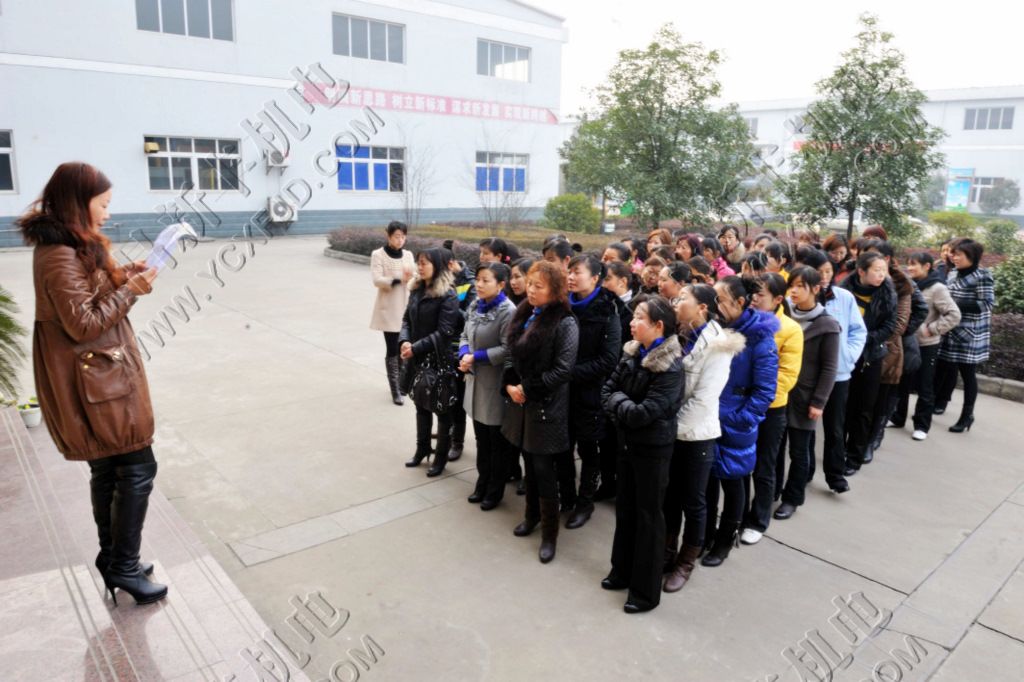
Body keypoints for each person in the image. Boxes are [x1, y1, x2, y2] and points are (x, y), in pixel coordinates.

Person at [19, 162, 167, 605]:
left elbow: (86, 294)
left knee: (110, 468)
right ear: (77, 203)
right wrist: (131, 290)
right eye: (102, 204)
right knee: (137, 466)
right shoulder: (58, 253)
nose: (106, 213)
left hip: (96, 376)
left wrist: (121, 275)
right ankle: (123, 565)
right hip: (92, 380)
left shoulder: (70, 244)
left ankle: (115, 559)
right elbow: (82, 324)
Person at [600, 296, 685, 614]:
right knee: (625, 510)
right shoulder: (632, 352)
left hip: (652, 449)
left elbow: (643, 413)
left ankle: (645, 592)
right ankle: (621, 571)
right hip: (627, 444)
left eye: (639, 318)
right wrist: (622, 404)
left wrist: (619, 403)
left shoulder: (671, 365)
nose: (632, 323)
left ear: (658, 326)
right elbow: (606, 391)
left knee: (649, 517)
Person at [663, 284, 743, 593]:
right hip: (671, 430)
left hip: (696, 435)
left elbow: (703, 400)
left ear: (702, 308)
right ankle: (667, 551)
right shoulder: (678, 333)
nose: (676, 302)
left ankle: (686, 562)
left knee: (693, 501)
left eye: (683, 299)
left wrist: (669, 429)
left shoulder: (718, 345)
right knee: (669, 496)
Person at [502, 261, 579, 564]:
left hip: (547, 405)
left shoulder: (565, 323)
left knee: (545, 470)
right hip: (522, 401)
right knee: (529, 464)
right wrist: (510, 384)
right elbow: (512, 352)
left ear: (556, 290)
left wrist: (528, 388)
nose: (531, 290)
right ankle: (531, 516)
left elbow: (563, 370)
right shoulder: (525, 312)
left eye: (539, 286)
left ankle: (550, 534)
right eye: (530, 284)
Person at [705, 276, 778, 567]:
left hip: (735, 422)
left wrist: (740, 420)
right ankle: (705, 536)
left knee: (734, 483)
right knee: (708, 482)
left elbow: (765, 391)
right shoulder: (713, 328)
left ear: (739, 302)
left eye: (719, 300)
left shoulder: (761, 338)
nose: (714, 305)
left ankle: (725, 540)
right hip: (708, 416)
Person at [774, 266, 839, 520]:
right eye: (792, 285)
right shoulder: (783, 316)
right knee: (775, 448)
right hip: (781, 392)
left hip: (806, 397)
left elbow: (829, 367)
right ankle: (773, 490)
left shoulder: (827, 325)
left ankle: (792, 498)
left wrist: (819, 401)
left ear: (816, 289)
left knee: (799, 451)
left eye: (801, 286)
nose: (794, 291)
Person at [742, 273, 802, 545]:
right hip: (741, 402)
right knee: (739, 463)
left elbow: (787, 376)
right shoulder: (745, 320)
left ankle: (758, 520)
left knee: (764, 466)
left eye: (760, 295)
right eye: (752, 294)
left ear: (778, 299)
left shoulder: (790, 329)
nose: (754, 299)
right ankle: (738, 515)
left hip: (770, 408)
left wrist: (756, 395)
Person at [800, 249, 866, 493]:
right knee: (806, 427)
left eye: (829, 271)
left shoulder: (844, 297)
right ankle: (805, 471)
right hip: (808, 375)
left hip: (838, 374)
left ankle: (835, 474)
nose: (825, 276)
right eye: (820, 272)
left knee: (835, 427)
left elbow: (858, 331)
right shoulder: (800, 299)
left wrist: (848, 357)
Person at [565, 255, 621, 528]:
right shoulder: (563, 304)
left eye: (577, 272)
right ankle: (566, 495)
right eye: (569, 272)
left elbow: (608, 360)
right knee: (562, 446)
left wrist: (567, 372)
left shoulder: (608, 311)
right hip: (562, 392)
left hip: (590, 393)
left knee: (588, 449)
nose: (571, 277)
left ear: (595, 278)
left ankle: (585, 502)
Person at [459, 263, 517, 509]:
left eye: (486, 280)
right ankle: (482, 482)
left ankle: (495, 490)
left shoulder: (509, 311)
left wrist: (476, 357)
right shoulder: (475, 304)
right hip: (475, 381)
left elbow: (507, 349)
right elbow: (464, 334)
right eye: (478, 279)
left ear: (501, 285)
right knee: (481, 440)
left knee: (496, 443)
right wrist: (464, 353)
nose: (479, 285)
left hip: (494, 384)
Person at [400, 248, 461, 477]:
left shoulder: (448, 294)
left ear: (438, 265)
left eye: (425, 262)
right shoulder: (417, 288)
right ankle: (422, 448)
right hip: (416, 357)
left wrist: (415, 347)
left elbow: (445, 332)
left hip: (438, 360)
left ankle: (440, 458)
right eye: (419, 262)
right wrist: (405, 341)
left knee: (441, 410)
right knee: (420, 405)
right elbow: (406, 319)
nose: (420, 266)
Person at [840, 253, 898, 475]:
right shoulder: (843, 291)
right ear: (861, 271)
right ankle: (838, 452)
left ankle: (854, 456)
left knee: (864, 408)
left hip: (870, 356)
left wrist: (862, 339)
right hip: (844, 355)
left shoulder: (887, 294)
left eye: (884, 270)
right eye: (877, 270)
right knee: (843, 406)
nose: (882, 274)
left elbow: (889, 326)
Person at [892, 252, 960, 440]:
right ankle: (897, 417)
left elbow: (954, 314)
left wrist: (931, 329)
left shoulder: (938, 288)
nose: (910, 268)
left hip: (926, 344)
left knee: (924, 385)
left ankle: (922, 425)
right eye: (908, 264)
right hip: (906, 341)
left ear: (927, 266)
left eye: (914, 264)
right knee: (902, 382)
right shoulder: (908, 284)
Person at [934, 239, 995, 433]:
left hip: (969, 333)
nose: (953, 257)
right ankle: (934, 404)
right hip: (950, 329)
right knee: (943, 368)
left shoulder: (982, 276)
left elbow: (986, 304)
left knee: (968, 375)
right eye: (953, 254)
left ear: (972, 256)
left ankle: (967, 415)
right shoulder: (953, 273)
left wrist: (954, 304)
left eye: (958, 254)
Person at [370, 221, 416, 405]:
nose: (400, 240)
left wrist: (413, 278)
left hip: (406, 307)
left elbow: (414, 277)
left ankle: (402, 384)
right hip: (388, 309)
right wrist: (398, 279)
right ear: (388, 236)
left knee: (404, 346)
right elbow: (377, 280)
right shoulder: (378, 254)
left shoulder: (408, 255)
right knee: (392, 349)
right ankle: (395, 389)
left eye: (403, 236)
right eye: (397, 236)